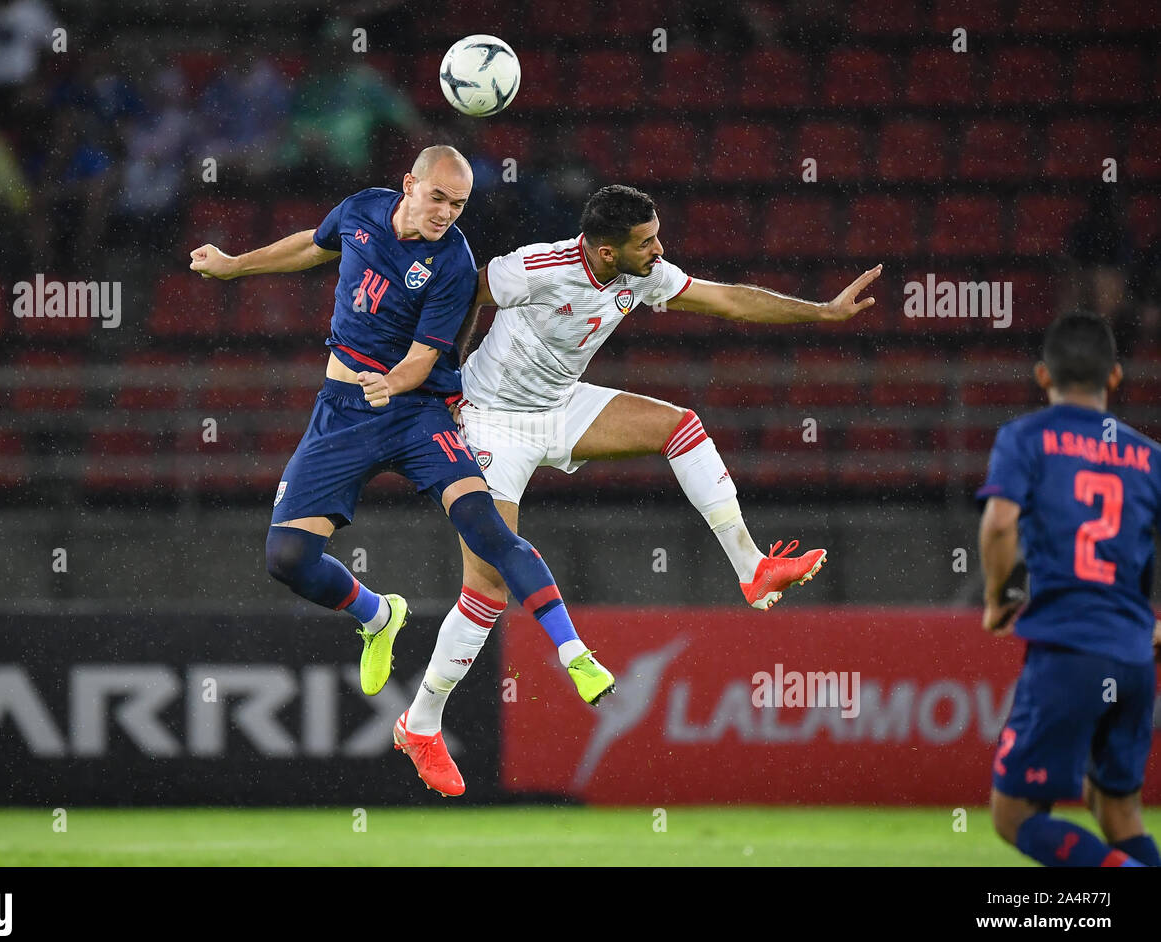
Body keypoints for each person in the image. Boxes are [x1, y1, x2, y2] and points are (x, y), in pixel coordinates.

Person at [399, 184, 880, 787]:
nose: (660, 250)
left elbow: (727, 301)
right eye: (647, 242)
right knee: (488, 584)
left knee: (680, 426)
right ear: (605, 253)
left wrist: (822, 311)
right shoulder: (537, 267)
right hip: (492, 418)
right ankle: (421, 723)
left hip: (560, 404)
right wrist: (445, 383)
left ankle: (752, 567)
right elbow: (464, 289)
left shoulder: (645, 275)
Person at [189, 146, 609, 798]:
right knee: (287, 557)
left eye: (459, 204)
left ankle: (573, 652)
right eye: (437, 197)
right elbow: (315, 244)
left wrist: (390, 384)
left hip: (417, 414)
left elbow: (421, 359)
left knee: (489, 534)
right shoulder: (361, 211)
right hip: (342, 413)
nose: (446, 213)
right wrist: (236, 266)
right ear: (409, 185)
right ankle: (378, 615)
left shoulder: (453, 262)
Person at [978, 310, 1160, 867]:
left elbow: (1001, 523)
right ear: (1114, 378)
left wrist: (996, 598)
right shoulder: (1149, 457)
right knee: (1117, 810)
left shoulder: (1026, 438)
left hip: (1069, 652)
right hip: (1134, 657)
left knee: (1016, 816)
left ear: (1042, 376)